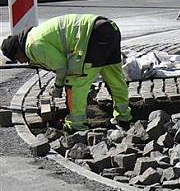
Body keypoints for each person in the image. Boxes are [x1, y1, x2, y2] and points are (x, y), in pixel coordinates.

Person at [1, 14, 132, 131]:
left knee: (75, 81)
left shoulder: (33, 46)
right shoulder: (34, 35)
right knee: (114, 78)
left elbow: (62, 66)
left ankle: (76, 124)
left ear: (17, 50)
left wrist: (58, 87)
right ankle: (124, 117)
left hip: (92, 36)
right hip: (109, 28)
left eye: (17, 58)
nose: (21, 62)